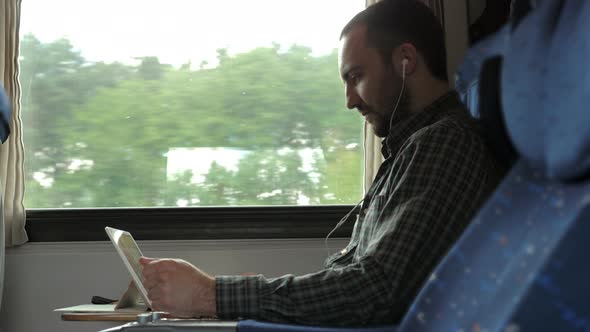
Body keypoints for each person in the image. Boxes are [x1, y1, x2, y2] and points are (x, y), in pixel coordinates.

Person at [140, 0, 503, 326]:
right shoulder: (409, 149)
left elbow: (374, 291)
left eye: (355, 77)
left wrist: (210, 294)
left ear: (405, 62)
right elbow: (360, 277)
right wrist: (237, 295)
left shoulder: (445, 143)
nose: (349, 101)